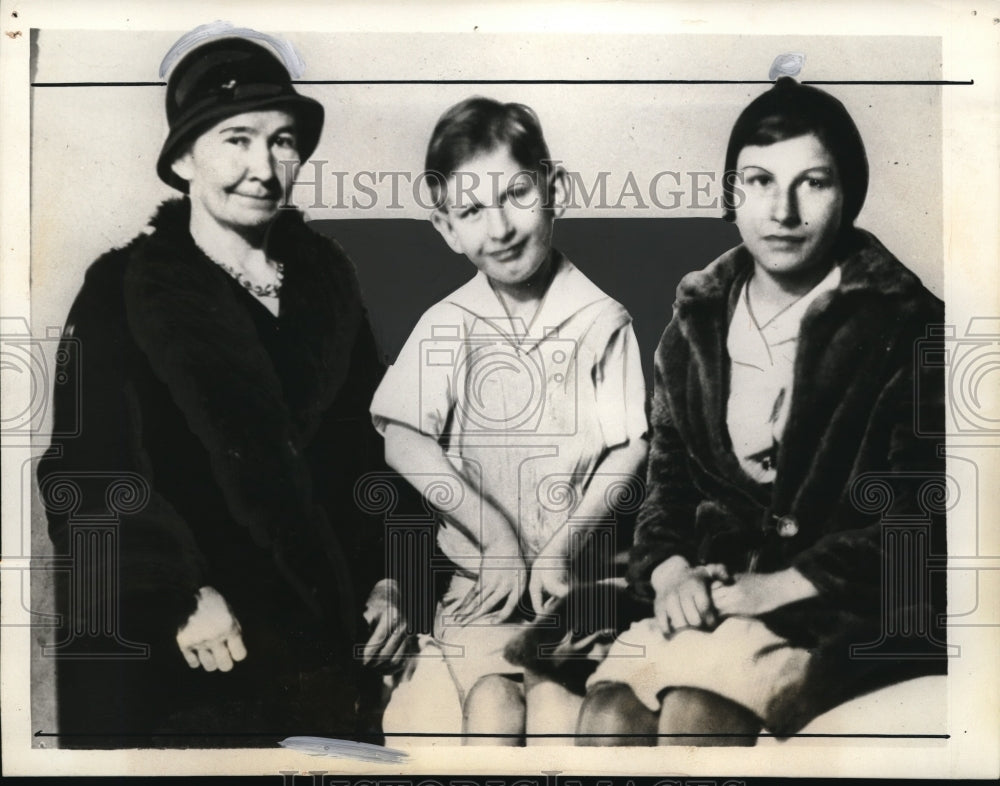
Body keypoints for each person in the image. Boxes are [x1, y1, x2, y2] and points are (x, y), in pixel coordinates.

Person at [37, 34, 398, 748]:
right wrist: (177, 594)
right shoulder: (119, 291)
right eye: (238, 139)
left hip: (325, 644)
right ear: (182, 159)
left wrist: (394, 581)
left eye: (284, 142)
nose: (264, 168)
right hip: (189, 646)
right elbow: (85, 473)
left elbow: (380, 451)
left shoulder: (331, 288)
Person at [575, 77, 947, 746]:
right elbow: (667, 496)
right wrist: (672, 574)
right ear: (732, 191)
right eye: (759, 181)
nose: (784, 209)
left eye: (813, 182)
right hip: (717, 596)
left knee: (695, 715)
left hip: (838, 603)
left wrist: (777, 588)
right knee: (605, 717)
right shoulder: (693, 327)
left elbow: (920, 513)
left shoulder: (908, 326)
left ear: (849, 193)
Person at [368, 97, 649, 745]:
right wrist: (496, 536)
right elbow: (403, 439)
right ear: (446, 228)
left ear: (556, 187)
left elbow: (627, 447)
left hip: (573, 595)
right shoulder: (449, 324)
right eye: (471, 210)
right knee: (493, 706)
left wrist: (561, 548)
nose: (499, 227)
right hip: (481, 594)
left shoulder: (602, 321)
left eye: (516, 193)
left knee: (561, 717)